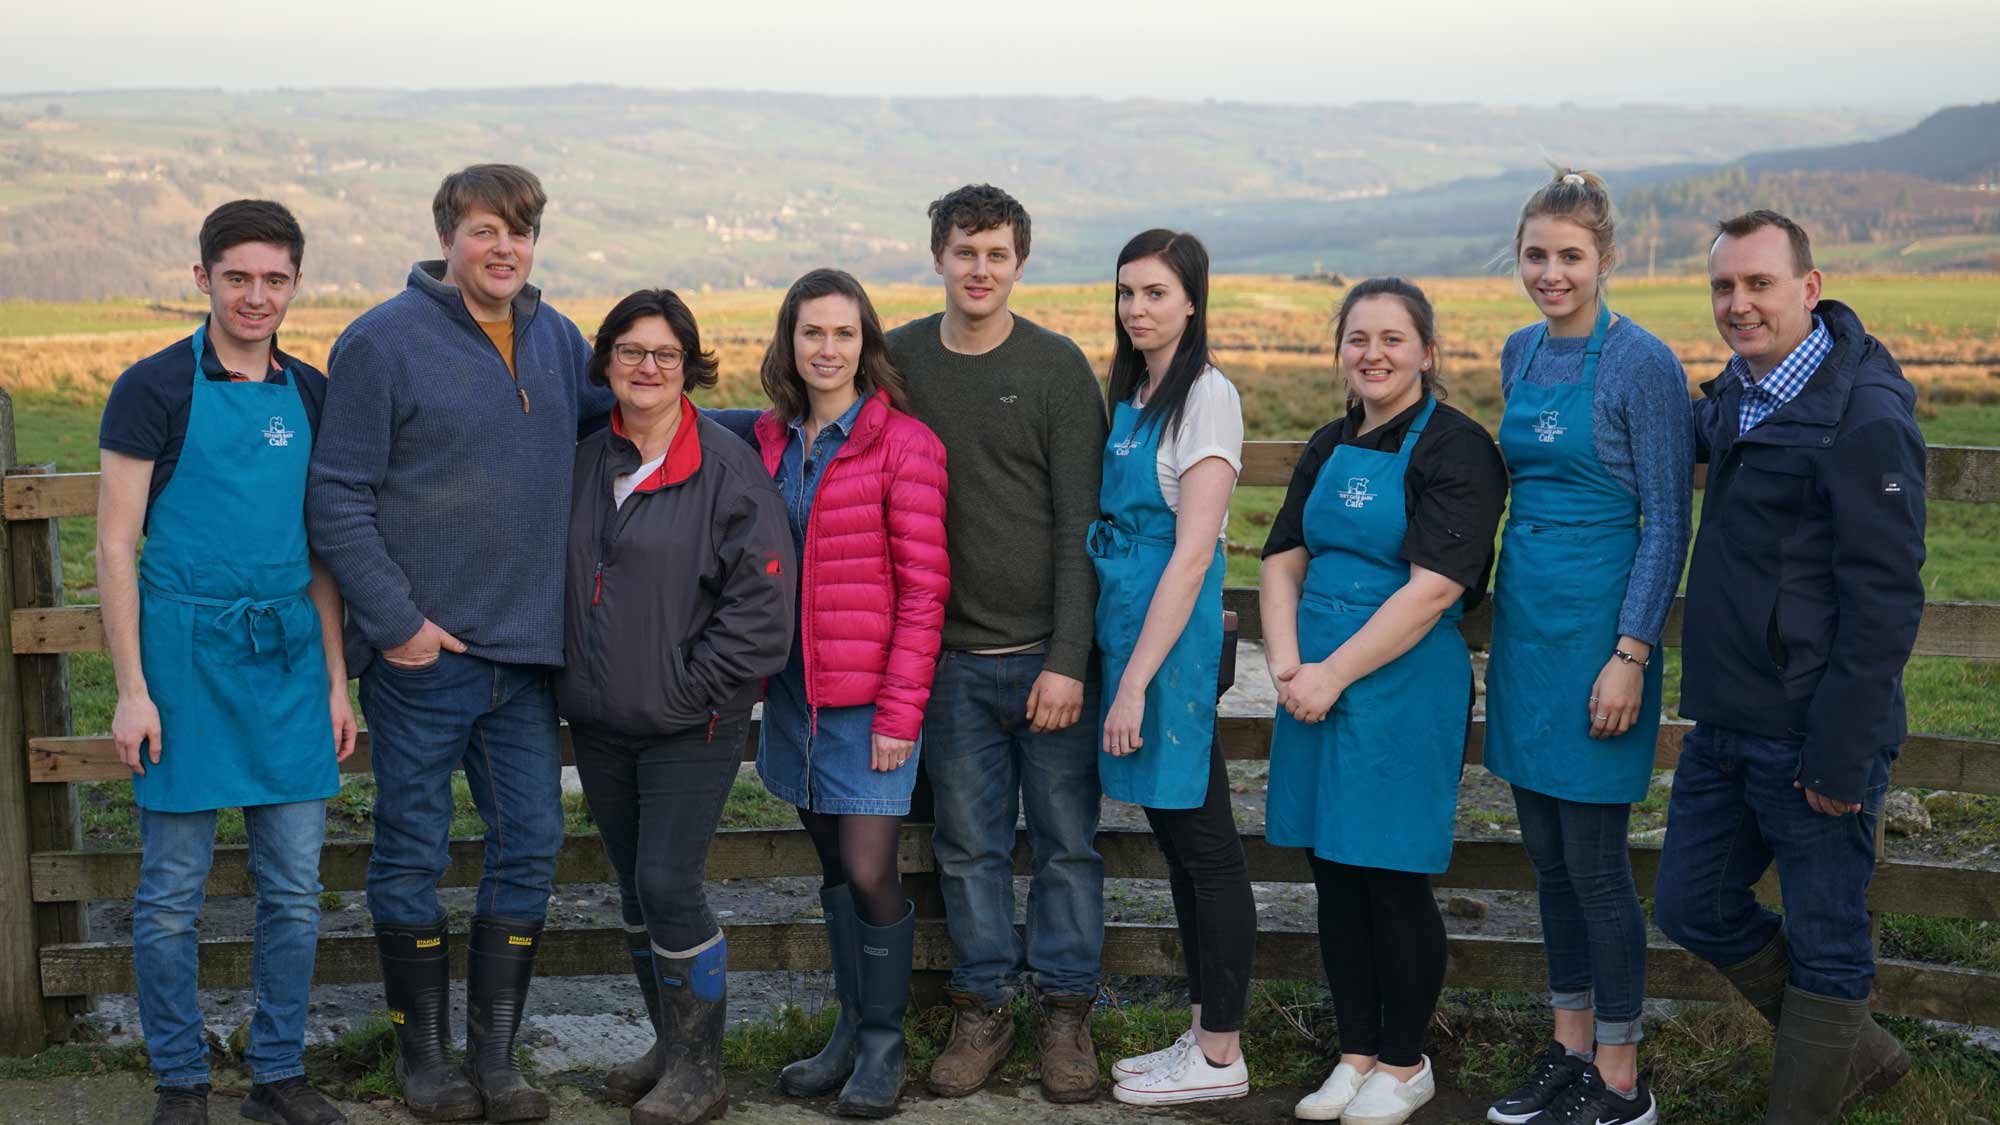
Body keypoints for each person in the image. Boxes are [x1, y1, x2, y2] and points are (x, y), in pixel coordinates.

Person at [306, 164, 613, 1123]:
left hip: (525, 662)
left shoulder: (558, 339)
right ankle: (425, 1060)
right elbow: (336, 495)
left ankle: (497, 1058)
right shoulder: (382, 343)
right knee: (410, 851)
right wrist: (397, 625)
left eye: (520, 232)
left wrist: (769, 429)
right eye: (486, 229)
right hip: (424, 659)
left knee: (532, 844)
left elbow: (634, 423)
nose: (505, 248)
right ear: (448, 234)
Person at [1654, 210, 1925, 1124]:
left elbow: (1886, 600)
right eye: (1724, 287)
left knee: (1827, 939)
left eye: (1760, 284)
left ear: (1809, 289)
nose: (1739, 304)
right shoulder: (1741, 393)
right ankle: (1864, 1055)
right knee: (1691, 903)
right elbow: (1682, 432)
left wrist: (1842, 753)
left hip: (1813, 732)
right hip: (1727, 720)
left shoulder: (1864, 418)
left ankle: (1803, 1103)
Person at [99, 200, 353, 1125]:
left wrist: (334, 678)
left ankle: (277, 1072)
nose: (257, 296)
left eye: (275, 279)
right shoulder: (152, 388)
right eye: (238, 276)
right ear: (202, 277)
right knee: (170, 894)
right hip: (182, 660)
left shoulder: (314, 392)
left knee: (294, 887)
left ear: (295, 283)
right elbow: (116, 544)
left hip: (287, 659)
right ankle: (179, 1079)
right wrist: (133, 690)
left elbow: (323, 550)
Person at [1261, 278, 1507, 1125]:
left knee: (1391, 874)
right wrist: (1290, 664)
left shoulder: (1459, 447)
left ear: (1427, 353)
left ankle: (1405, 1063)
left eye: (1393, 339)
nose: (1373, 353)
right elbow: (1282, 555)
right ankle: (1354, 1052)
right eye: (1358, 337)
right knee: (1333, 873)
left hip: (1399, 684)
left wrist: (1332, 674)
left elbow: (1435, 589)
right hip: (1313, 682)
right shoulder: (1329, 441)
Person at [885, 184, 1110, 1104]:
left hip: (1045, 660)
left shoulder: (1056, 367)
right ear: (937, 255)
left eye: (998, 254)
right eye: (965, 252)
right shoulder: (895, 359)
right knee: (968, 846)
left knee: (1065, 843)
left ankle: (1065, 1015)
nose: (980, 270)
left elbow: (1080, 529)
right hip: (947, 662)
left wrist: (1067, 657)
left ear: (1021, 262)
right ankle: (982, 1007)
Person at [1479, 169, 1691, 1125]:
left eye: (1570, 256)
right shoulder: (1519, 351)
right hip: (1529, 628)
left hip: (1605, 636)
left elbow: (1665, 522)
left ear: (1606, 258)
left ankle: (1620, 1073)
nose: (1551, 273)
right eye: (1536, 255)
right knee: (1546, 857)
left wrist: (1633, 649)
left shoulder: (1644, 363)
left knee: (1599, 862)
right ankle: (1567, 1049)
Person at [556, 290, 794, 1124]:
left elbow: (763, 608)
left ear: (689, 364)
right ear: (607, 363)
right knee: (633, 886)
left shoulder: (727, 468)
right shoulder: (586, 461)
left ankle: (702, 1070)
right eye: (630, 351)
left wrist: (690, 689)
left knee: (668, 879)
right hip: (600, 718)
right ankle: (669, 1047)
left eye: (664, 353)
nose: (646, 368)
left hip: (694, 720)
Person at [750, 269, 951, 1118]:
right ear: (789, 343)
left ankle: (883, 1043)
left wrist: (902, 714)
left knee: (871, 867)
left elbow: (925, 589)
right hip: (797, 696)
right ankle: (846, 1028)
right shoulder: (766, 441)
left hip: (871, 699)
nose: (826, 349)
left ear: (867, 345)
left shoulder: (905, 445)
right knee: (833, 866)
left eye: (843, 333)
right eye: (811, 333)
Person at [1084, 231, 1253, 1108]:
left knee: (1206, 846)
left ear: (1192, 300)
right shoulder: (1136, 390)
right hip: (1129, 625)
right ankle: (1201, 1036)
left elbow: (1192, 558)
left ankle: (1221, 1055)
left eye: (1155, 293)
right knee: (1183, 846)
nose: (1137, 309)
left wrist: (1136, 680)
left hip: (1169, 646)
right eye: (1126, 293)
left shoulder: (1207, 399)